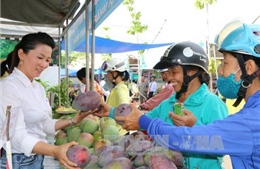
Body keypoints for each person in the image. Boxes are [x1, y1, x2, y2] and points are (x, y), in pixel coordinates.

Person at [115, 19, 260, 169]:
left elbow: (189, 140)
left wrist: (145, 122)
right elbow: (213, 140)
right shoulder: (252, 114)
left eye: (225, 63)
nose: (221, 71)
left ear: (248, 67)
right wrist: (195, 125)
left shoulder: (251, 121)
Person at [96, 41, 229, 169]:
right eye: (168, 72)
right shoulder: (167, 104)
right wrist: (112, 112)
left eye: (174, 72)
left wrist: (194, 127)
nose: (169, 78)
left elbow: (222, 146)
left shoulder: (213, 105)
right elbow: (140, 120)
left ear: (192, 71)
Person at [0, 32, 96, 169]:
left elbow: (44, 124)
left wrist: (73, 121)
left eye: (47, 60)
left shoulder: (37, 87)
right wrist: (54, 150)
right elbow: (15, 136)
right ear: (22, 54)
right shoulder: (8, 88)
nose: (44, 64)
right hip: (18, 161)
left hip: (37, 158)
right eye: (40, 57)